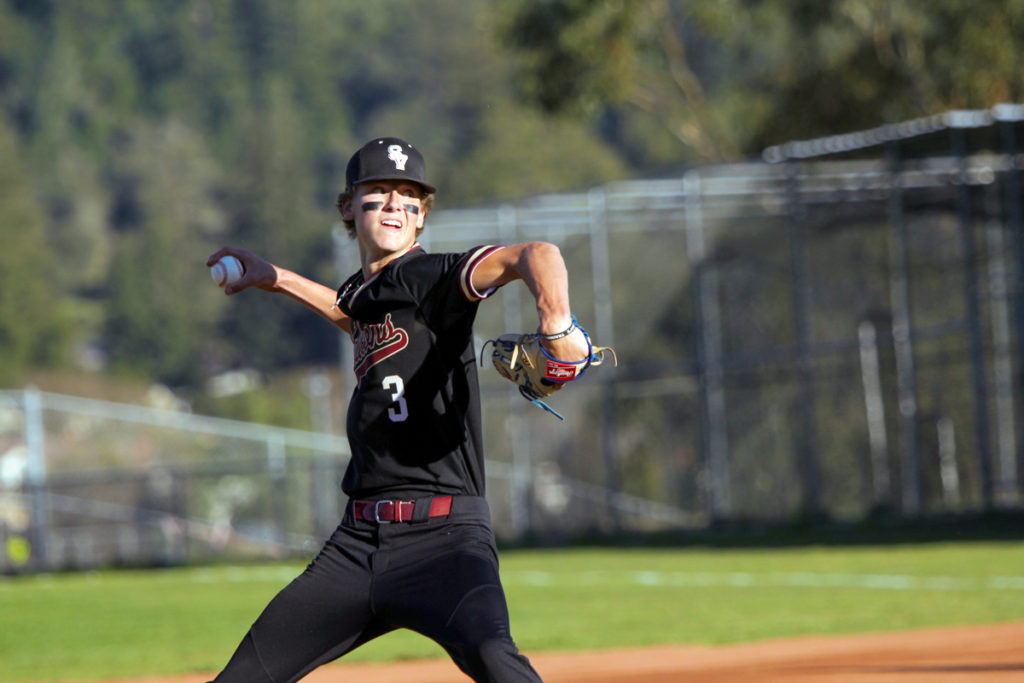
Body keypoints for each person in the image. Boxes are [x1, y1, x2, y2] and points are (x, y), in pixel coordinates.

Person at [205, 137, 590, 682]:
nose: (393, 204)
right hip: (358, 546)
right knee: (243, 677)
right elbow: (354, 315)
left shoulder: (430, 278)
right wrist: (277, 279)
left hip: (446, 542)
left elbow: (538, 255)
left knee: (494, 659)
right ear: (347, 207)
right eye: (379, 192)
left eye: (409, 196)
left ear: (421, 217)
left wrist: (558, 325)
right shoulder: (371, 293)